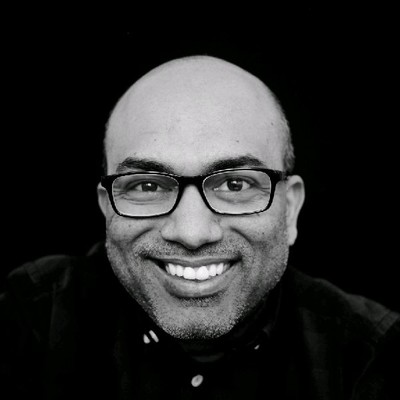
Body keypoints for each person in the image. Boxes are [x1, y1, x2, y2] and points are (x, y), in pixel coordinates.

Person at [1, 55, 398, 399]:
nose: (192, 233)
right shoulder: (32, 321)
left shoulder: (369, 358)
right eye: (148, 186)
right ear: (107, 209)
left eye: (235, 184)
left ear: (290, 209)